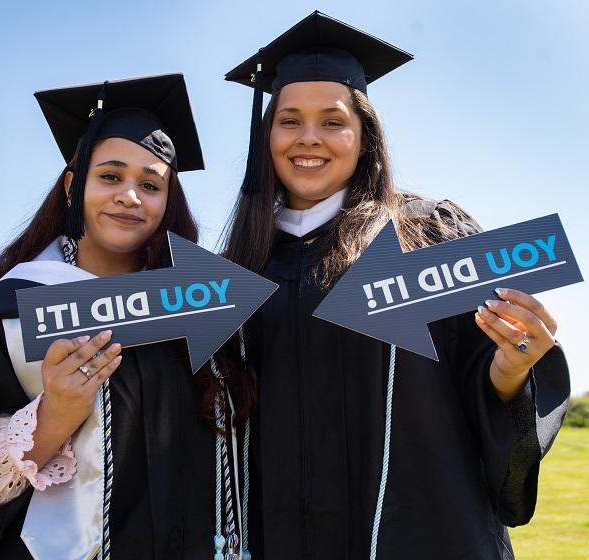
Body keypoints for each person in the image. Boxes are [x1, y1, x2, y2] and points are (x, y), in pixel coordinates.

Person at [221, 11, 570, 559]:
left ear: (364, 137)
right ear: (265, 139)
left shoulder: (429, 234)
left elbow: (489, 377)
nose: (308, 138)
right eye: (288, 120)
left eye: (333, 121)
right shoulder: (237, 270)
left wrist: (509, 369)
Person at [0, 74, 252, 560]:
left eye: (151, 184)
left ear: (168, 201)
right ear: (73, 184)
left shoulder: (193, 304)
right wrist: (51, 418)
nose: (130, 196)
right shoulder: (17, 308)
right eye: (110, 176)